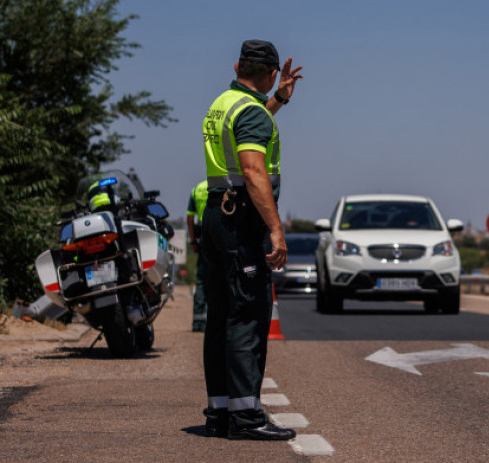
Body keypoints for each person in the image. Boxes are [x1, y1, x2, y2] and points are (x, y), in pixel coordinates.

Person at [201, 39, 302, 440]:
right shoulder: (251, 114)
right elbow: (253, 171)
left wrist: (278, 100)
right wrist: (276, 229)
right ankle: (247, 419)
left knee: (222, 318)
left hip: (216, 217)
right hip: (242, 222)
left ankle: (221, 414)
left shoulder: (224, 103)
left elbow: (248, 124)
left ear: (238, 64)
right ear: (273, 71)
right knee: (248, 317)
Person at [186, 179, 209, 332]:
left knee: (201, 280)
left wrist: (193, 240)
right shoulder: (222, 185)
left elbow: (190, 218)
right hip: (217, 233)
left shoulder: (196, 189)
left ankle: (198, 322)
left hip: (201, 234)